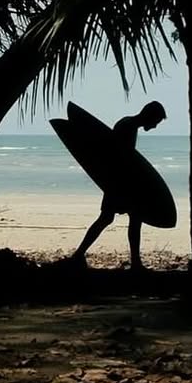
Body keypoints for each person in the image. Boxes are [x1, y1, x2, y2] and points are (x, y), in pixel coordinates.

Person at [71, 101, 167, 271]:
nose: (154, 126)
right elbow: (119, 157)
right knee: (114, 218)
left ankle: (133, 262)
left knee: (126, 219)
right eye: (156, 122)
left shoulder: (128, 124)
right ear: (149, 116)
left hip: (119, 182)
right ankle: (80, 255)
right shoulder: (127, 126)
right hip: (119, 183)